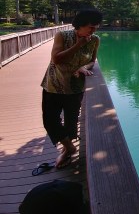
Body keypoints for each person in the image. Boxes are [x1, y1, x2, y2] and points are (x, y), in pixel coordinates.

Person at [41, 9, 102, 168]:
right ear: (80, 25)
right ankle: (70, 148)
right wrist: (78, 45)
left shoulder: (95, 40)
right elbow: (56, 59)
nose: (94, 30)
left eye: (96, 27)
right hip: (54, 85)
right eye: (91, 27)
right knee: (50, 121)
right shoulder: (62, 35)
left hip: (75, 89)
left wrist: (83, 67)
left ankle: (67, 151)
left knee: (71, 123)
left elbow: (92, 61)